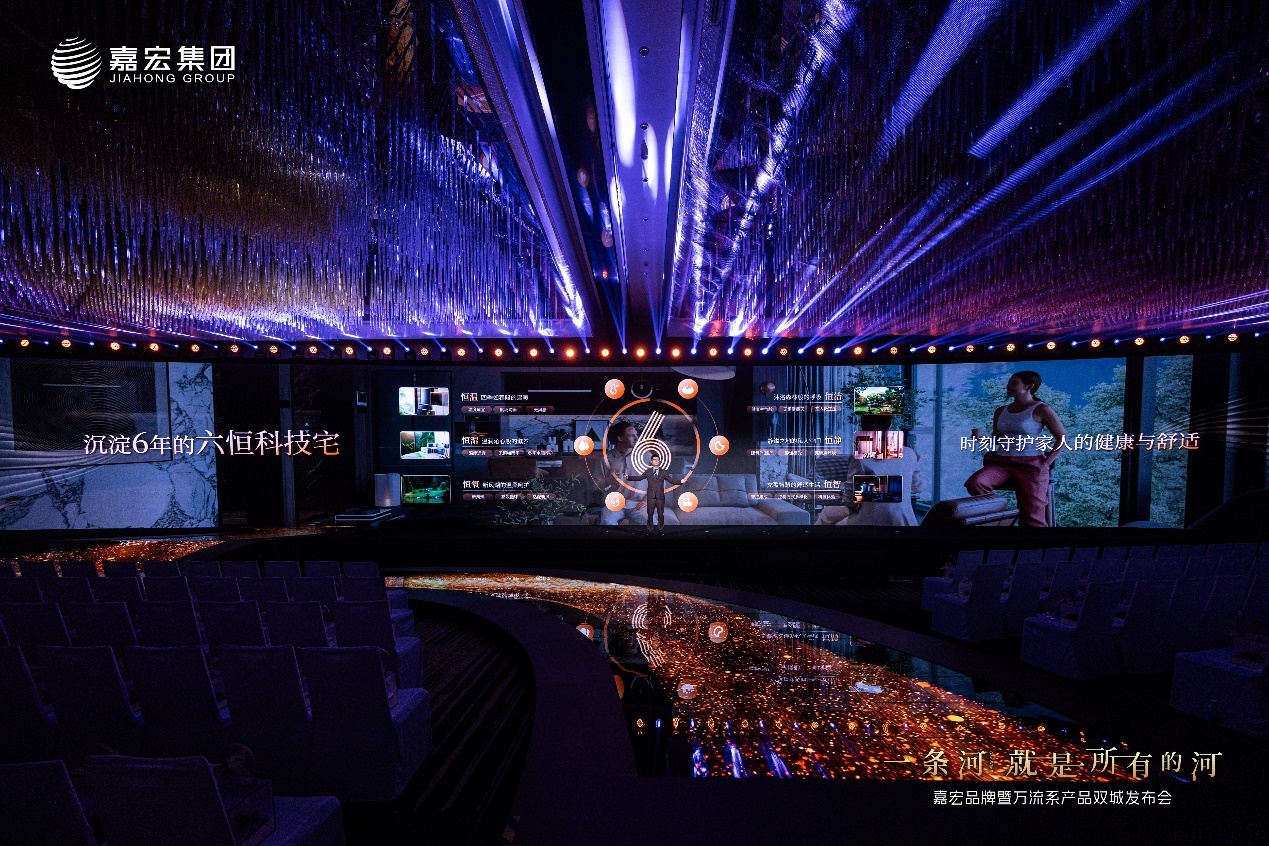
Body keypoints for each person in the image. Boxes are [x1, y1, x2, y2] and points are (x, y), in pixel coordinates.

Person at [964, 370, 1066, 527]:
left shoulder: (1042, 409)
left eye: (1014, 383)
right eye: (1009, 382)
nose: (1008, 386)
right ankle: (1000, 520)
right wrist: (980, 438)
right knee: (975, 484)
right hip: (1001, 463)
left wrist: (1046, 463)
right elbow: (996, 440)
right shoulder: (1000, 411)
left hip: (1031, 465)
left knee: (1032, 518)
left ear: (1029, 386)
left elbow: (1062, 437)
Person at [601, 420, 648, 526]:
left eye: (636, 435)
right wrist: (607, 481)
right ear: (620, 438)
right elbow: (596, 484)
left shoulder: (645, 456)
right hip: (614, 503)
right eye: (632, 436)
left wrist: (647, 500)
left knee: (651, 523)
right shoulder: (606, 459)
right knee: (606, 522)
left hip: (638, 504)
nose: (636, 439)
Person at [625, 453, 683, 535]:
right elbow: (639, 478)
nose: (655, 462)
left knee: (659, 515)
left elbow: (671, 480)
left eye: (657, 460)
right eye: (654, 460)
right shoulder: (647, 472)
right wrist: (628, 477)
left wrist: (680, 481)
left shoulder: (662, 472)